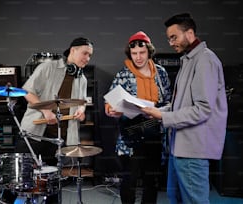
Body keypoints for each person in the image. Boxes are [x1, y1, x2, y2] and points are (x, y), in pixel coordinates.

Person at [141, 13, 228, 204]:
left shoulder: (205, 60)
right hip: (178, 149)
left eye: (174, 37)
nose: (171, 43)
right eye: (169, 38)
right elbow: (181, 105)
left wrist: (163, 117)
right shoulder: (188, 60)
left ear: (189, 33)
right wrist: (157, 111)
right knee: (177, 198)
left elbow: (202, 109)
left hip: (193, 150)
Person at [16, 37, 94, 203]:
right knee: (20, 181)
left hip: (56, 139)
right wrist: (45, 110)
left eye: (90, 56)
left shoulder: (83, 79)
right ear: (73, 50)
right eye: (85, 53)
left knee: (49, 186)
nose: (87, 58)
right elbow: (26, 91)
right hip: (34, 134)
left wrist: (81, 111)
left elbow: (82, 102)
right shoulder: (48, 67)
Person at [105, 31, 172, 204]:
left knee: (152, 181)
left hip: (155, 132)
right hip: (131, 134)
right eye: (134, 54)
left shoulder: (161, 73)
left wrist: (160, 110)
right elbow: (110, 102)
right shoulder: (124, 74)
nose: (138, 57)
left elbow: (169, 102)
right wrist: (111, 109)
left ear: (149, 52)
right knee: (129, 180)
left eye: (142, 53)